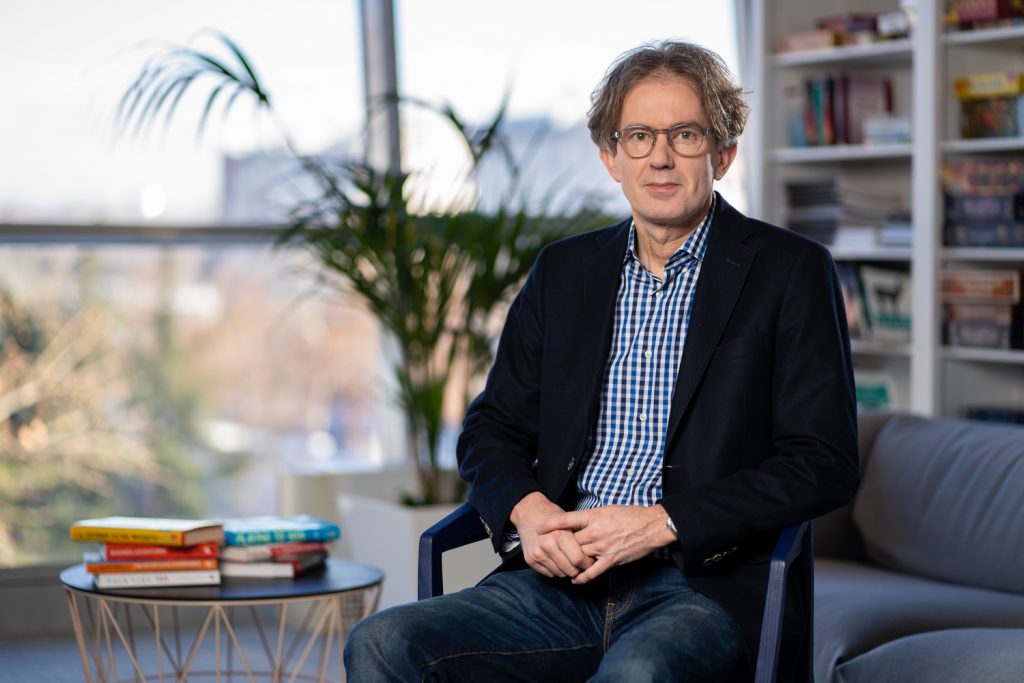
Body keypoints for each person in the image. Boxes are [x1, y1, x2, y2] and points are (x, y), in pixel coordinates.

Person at [344, 40, 859, 682]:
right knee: (383, 642)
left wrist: (661, 523)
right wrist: (529, 513)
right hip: (557, 582)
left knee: (636, 674)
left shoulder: (791, 271)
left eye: (685, 135)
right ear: (610, 158)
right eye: (638, 136)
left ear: (723, 154)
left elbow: (824, 463)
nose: (660, 157)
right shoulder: (564, 272)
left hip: (699, 587)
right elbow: (490, 428)